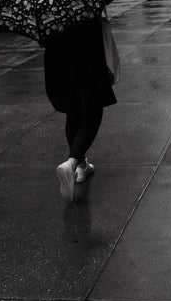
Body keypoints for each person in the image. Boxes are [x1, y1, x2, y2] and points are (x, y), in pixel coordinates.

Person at [43, 16, 116, 203]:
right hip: (87, 57)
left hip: (58, 62)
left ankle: (81, 166)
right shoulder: (83, 0)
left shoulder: (47, 7)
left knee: (73, 112)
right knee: (92, 115)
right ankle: (72, 162)